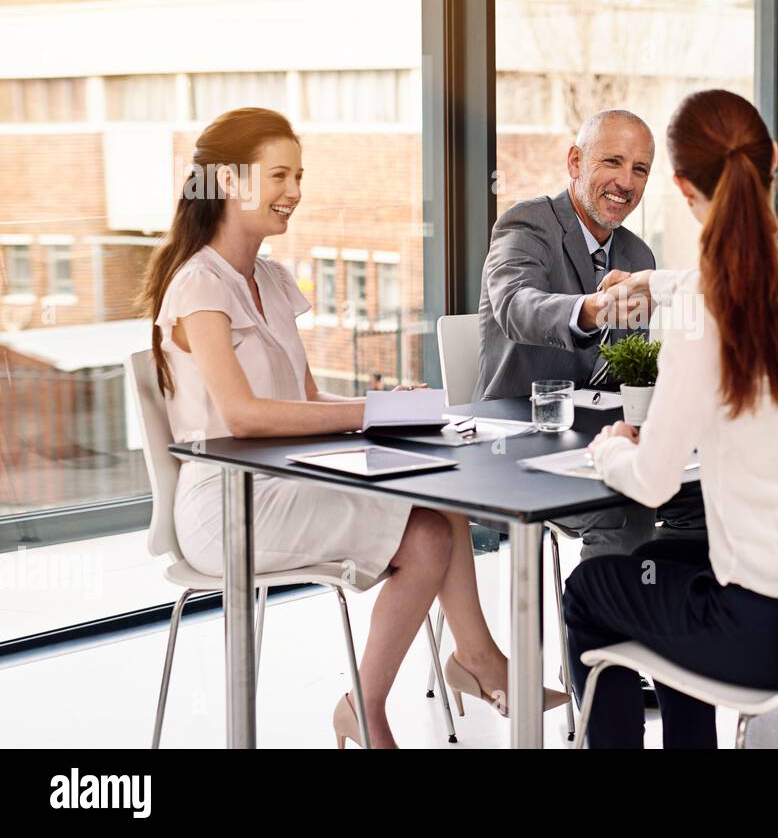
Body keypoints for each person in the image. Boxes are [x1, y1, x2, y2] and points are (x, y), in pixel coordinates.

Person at [141, 108, 563, 749]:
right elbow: (244, 415)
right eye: (279, 175)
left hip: (281, 482)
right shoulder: (200, 284)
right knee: (426, 532)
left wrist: (385, 405)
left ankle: (467, 665)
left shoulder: (272, 280)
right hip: (228, 505)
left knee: (439, 504)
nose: (295, 192)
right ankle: (403, 694)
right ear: (229, 182)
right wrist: (369, 414)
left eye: (299, 175)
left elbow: (304, 398)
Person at [562, 89, 778, 748]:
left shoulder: (706, 309)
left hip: (762, 637)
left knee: (591, 587)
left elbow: (651, 481)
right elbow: (755, 276)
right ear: (775, 160)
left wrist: (609, 447)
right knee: (662, 566)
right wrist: (657, 285)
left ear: (678, 184)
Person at [475, 108, 704, 558]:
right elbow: (515, 305)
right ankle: (600, 622)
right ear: (576, 162)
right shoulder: (527, 225)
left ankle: (663, 611)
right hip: (521, 443)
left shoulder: (638, 253)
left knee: (708, 494)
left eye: (639, 169)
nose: (626, 182)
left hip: (604, 438)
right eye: (612, 162)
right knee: (624, 506)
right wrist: (592, 309)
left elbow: (630, 369)